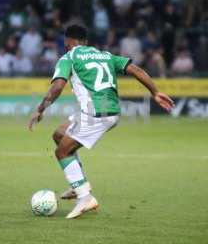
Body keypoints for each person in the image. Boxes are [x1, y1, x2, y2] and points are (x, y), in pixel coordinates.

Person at [28, 24, 174, 219]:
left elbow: (57, 88)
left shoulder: (69, 57)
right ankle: (77, 184)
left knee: (62, 151)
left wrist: (40, 109)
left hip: (96, 113)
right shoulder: (105, 55)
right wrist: (155, 92)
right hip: (107, 110)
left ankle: (84, 196)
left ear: (67, 43)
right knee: (59, 134)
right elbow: (136, 70)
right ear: (85, 42)